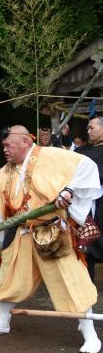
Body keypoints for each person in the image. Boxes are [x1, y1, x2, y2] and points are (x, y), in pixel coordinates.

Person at [0, 125, 101, 353]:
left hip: (51, 233)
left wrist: (69, 191)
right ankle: (2, 323)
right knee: (10, 276)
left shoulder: (51, 156)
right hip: (22, 233)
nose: (4, 150)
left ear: (25, 142)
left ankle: (89, 333)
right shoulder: (5, 171)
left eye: (8, 145)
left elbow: (87, 167)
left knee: (71, 280)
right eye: (3, 146)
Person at [76, 115, 103, 279]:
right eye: (87, 128)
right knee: (88, 242)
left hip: (100, 201)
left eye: (92, 128)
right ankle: (86, 284)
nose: (88, 131)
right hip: (88, 203)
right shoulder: (85, 150)